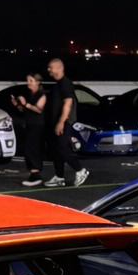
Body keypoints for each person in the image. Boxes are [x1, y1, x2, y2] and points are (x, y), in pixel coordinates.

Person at [43, 58, 89, 188]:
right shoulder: (58, 85)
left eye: (50, 67)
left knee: (63, 148)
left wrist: (61, 122)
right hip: (56, 122)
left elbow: (67, 103)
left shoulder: (65, 83)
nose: (49, 70)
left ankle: (80, 170)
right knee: (56, 150)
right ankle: (59, 177)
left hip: (64, 122)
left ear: (58, 68)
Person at [12, 74, 47, 187]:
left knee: (31, 148)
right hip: (29, 124)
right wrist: (17, 104)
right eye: (28, 80)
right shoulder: (31, 94)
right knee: (27, 148)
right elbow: (25, 110)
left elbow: (38, 109)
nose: (28, 83)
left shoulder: (42, 95)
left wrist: (25, 104)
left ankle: (36, 174)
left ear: (38, 82)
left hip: (37, 126)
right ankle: (33, 174)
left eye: (31, 80)